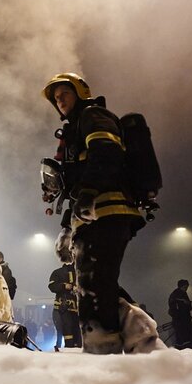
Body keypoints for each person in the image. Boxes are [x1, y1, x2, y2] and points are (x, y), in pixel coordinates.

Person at [41, 72, 159, 354]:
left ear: (80, 92)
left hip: (109, 210)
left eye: (64, 93)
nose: (59, 100)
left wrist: (88, 193)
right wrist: (67, 228)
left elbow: (106, 152)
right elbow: (76, 184)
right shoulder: (74, 130)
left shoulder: (93, 116)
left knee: (96, 284)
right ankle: (140, 338)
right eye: (56, 98)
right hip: (94, 214)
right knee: (97, 282)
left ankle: (104, 351)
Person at [48, 248, 80, 350]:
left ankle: (78, 348)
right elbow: (51, 287)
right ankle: (69, 348)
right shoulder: (57, 272)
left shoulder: (79, 273)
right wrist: (63, 286)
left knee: (77, 329)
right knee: (67, 328)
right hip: (64, 307)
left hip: (79, 308)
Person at [167, 279, 192, 349]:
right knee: (182, 339)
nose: (186, 288)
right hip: (180, 321)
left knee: (186, 338)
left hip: (185, 320)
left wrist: (187, 304)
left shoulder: (183, 294)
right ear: (181, 286)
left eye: (187, 287)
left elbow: (189, 307)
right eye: (185, 287)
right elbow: (173, 308)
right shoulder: (175, 294)